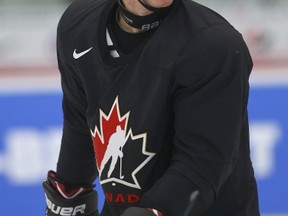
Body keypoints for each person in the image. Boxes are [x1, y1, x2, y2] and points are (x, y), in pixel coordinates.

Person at [42, 0, 260, 215]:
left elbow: (202, 165)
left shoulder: (213, 43)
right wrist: (67, 194)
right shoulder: (79, 25)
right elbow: (81, 124)